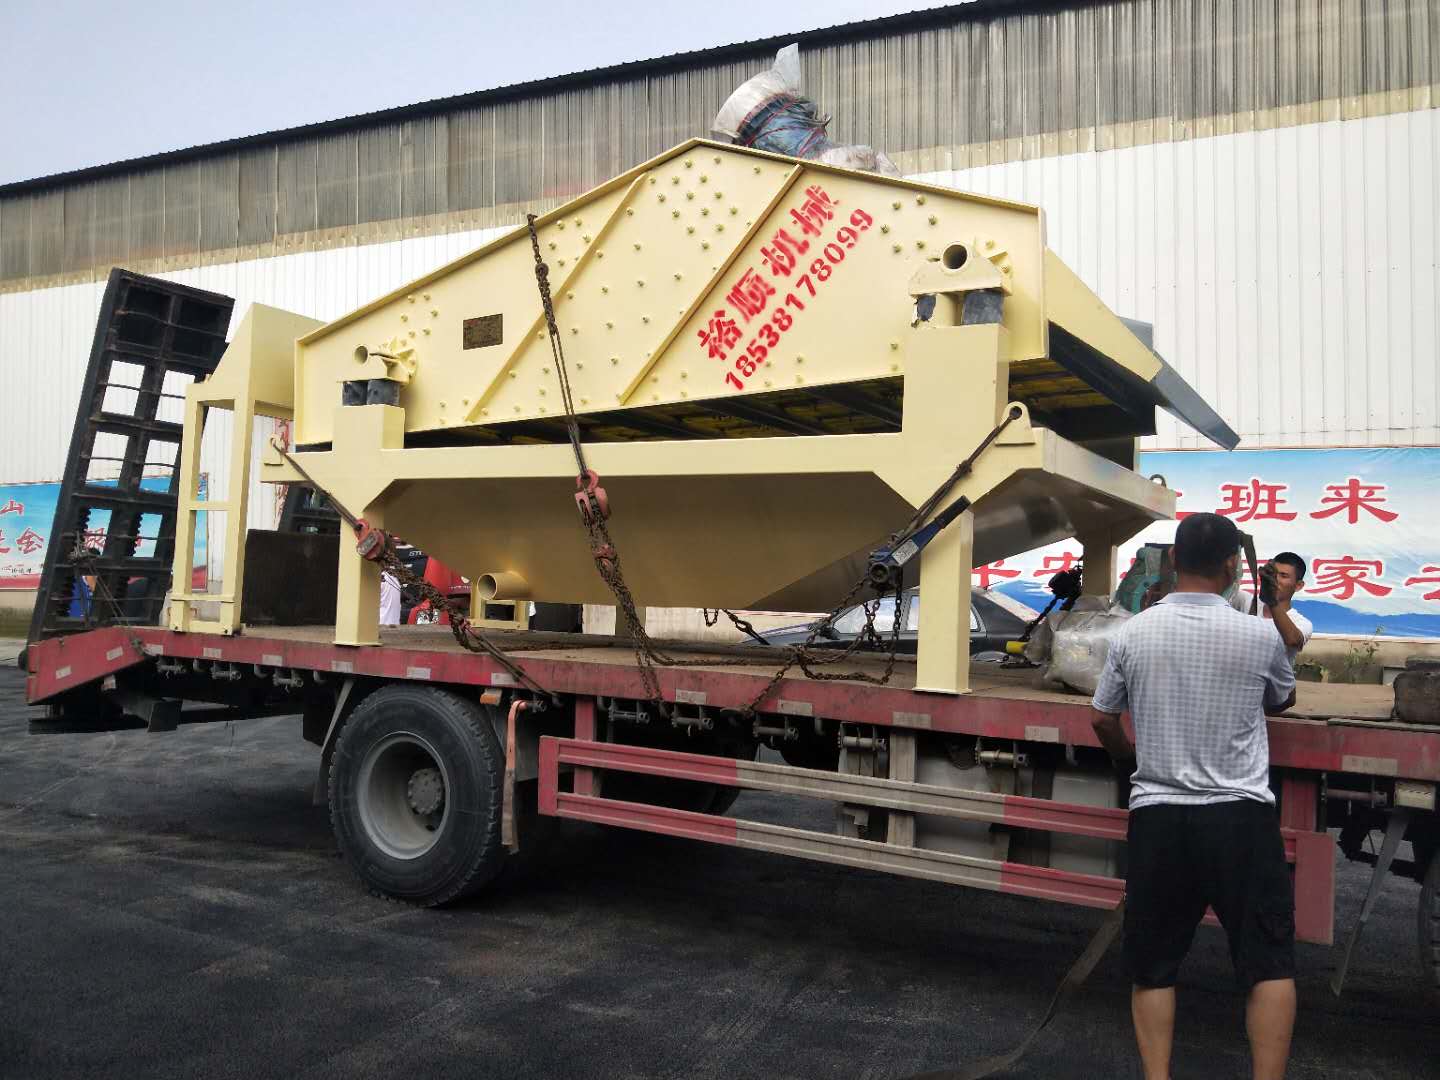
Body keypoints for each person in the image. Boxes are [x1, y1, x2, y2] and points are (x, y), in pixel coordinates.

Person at [1090, 512, 1298, 1080]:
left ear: (1174, 560)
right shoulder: (1260, 635)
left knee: (1154, 965)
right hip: (1241, 819)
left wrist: (1128, 760)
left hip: (1160, 818)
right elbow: (1282, 699)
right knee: (1268, 964)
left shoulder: (1133, 633)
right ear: (1233, 566)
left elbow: (1103, 718)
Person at [1259, 552, 1312, 668]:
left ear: (1298, 586)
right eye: (1273, 574)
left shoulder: (1301, 623)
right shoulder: (1245, 600)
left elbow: (1293, 641)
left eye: (1283, 576)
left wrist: (1271, 600)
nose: (1275, 580)